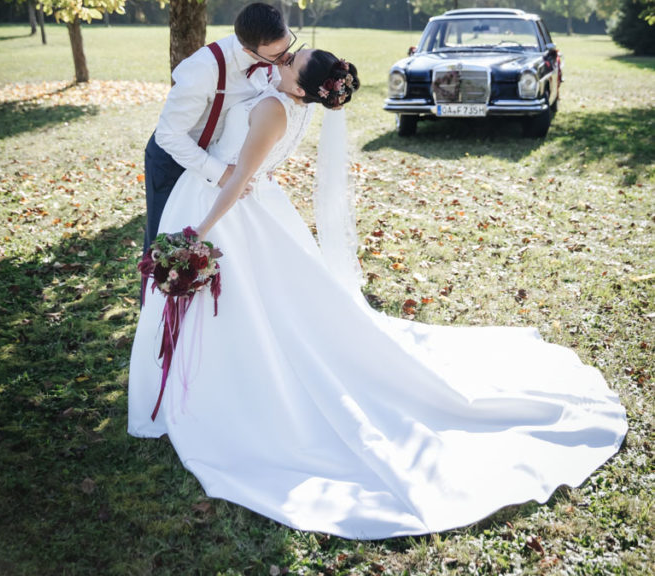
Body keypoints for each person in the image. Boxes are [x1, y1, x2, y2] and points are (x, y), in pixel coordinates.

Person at [129, 49, 626, 540]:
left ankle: (227, 390)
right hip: (255, 208)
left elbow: (238, 179)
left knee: (257, 313)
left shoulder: (270, 108)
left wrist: (200, 232)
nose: (281, 62)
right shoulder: (289, 102)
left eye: (290, 63)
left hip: (233, 213)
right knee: (267, 310)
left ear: (301, 87)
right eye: (289, 55)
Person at [144, 1, 298, 254]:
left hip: (225, 159)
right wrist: (221, 173)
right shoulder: (205, 68)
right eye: (275, 57)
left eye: (287, 48)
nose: (285, 60)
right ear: (249, 52)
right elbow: (168, 135)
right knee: (166, 247)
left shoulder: (272, 62)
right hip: (175, 159)